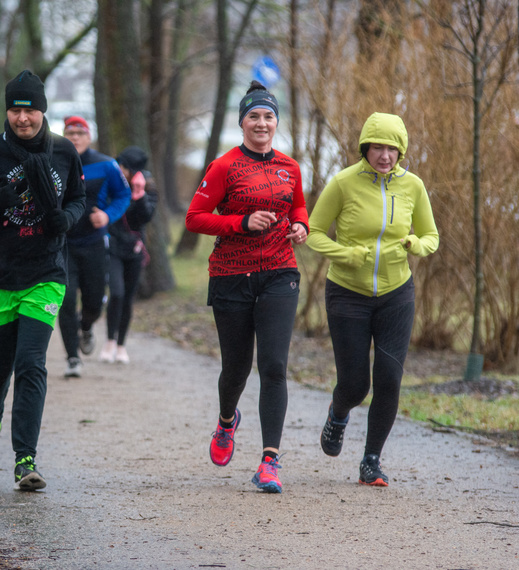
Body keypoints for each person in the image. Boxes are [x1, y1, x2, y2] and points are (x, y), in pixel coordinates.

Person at [0, 70, 85, 491]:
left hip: (44, 273)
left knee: (32, 363)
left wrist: (66, 217)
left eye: (29, 110)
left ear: (43, 111)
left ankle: (25, 458)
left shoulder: (64, 152)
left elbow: (78, 197)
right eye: (15, 109)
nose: (22, 118)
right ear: (6, 111)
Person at [184, 80, 309, 494]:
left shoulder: (290, 166)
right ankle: (226, 422)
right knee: (236, 368)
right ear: (242, 123)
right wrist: (240, 222)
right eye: (253, 116)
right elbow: (195, 217)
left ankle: (270, 461)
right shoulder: (224, 166)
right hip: (230, 276)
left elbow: (298, 205)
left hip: (279, 272)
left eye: (268, 116)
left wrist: (300, 225)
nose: (261, 123)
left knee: (273, 367)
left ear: (276, 123)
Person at [306, 112, 439, 487]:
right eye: (377, 147)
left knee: (390, 377)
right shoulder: (343, 183)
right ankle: (338, 412)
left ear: (401, 151)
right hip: (347, 292)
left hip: (397, 293)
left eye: (392, 148)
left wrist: (416, 244)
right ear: (365, 147)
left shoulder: (412, 186)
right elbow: (314, 232)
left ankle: (371, 461)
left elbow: (432, 236)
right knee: (354, 383)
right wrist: (343, 254)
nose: (384, 155)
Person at [60, 115, 131, 377]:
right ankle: (72, 358)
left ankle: (86, 326)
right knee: (65, 300)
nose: (75, 137)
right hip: (63, 244)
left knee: (94, 301)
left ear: (89, 137)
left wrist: (107, 216)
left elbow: (123, 195)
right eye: (70, 132)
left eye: (80, 133)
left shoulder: (106, 165)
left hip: (94, 243)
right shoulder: (55, 161)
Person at [98, 146, 157, 365]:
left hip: (134, 250)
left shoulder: (148, 187)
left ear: (133, 170)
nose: (119, 169)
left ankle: (121, 345)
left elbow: (146, 217)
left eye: (123, 167)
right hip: (112, 247)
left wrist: (138, 195)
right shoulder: (111, 183)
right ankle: (109, 341)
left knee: (128, 298)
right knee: (117, 293)